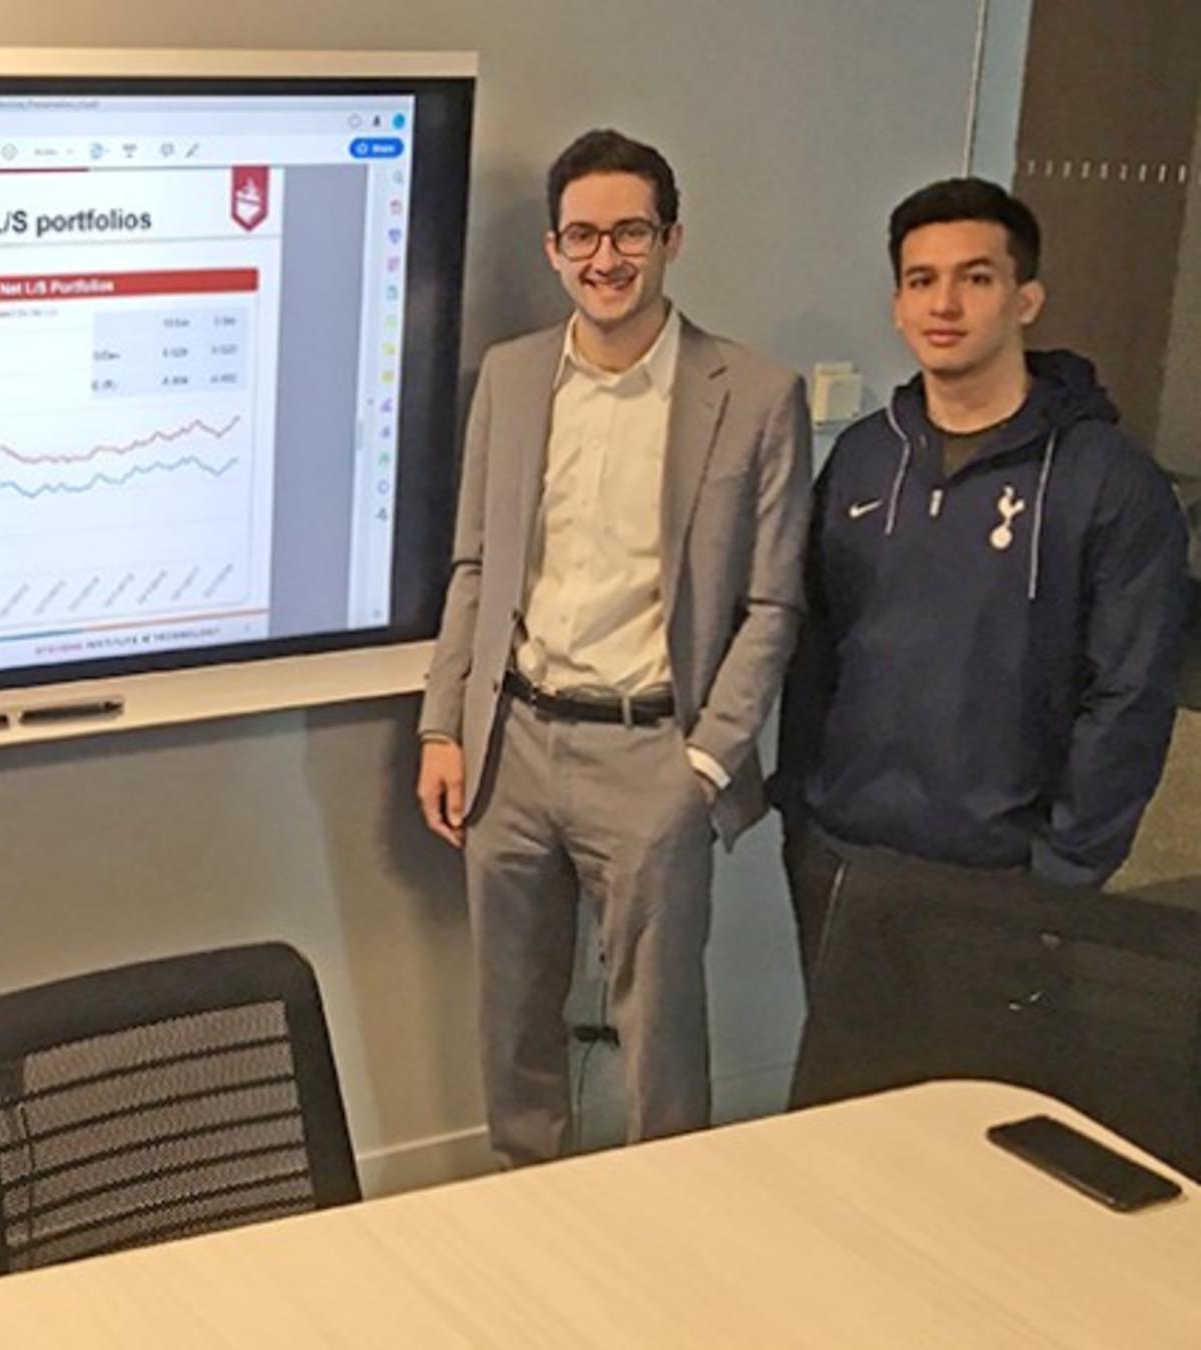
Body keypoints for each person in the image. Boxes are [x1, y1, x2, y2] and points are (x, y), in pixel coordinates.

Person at [415, 130, 811, 1167]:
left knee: (659, 1038)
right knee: (512, 1026)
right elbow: (473, 567)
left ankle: (670, 1216)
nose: (606, 257)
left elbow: (773, 605)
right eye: (583, 236)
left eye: (630, 232)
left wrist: (705, 763)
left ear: (671, 239)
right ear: (553, 249)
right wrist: (443, 728)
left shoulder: (754, 394)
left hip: (655, 754)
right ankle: (526, 1198)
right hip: (511, 747)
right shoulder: (511, 378)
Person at [777, 178, 1188, 970]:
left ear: (1026, 299)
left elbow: (1130, 694)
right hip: (844, 860)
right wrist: (802, 815)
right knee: (845, 1057)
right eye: (921, 280)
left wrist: (1063, 879)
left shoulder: (1106, 480)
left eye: (976, 277)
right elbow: (814, 647)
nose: (945, 304)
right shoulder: (865, 457)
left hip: (1004, 880)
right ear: (897, 306)